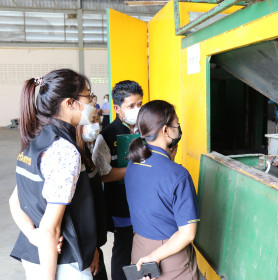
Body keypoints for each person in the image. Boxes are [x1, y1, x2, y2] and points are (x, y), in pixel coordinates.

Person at [9, 69, 97, 279]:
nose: (92, 103)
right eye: (88, 96)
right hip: (62, 264)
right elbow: (50, 230)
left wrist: (32, 235)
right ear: (70, 103)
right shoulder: (64, 151)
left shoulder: (35, 140)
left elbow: (15, 201)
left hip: (36, 257)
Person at [124, 100, 200, 279]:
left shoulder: (133, 163)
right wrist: (154, 257)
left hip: (139, 249)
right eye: (177, 123)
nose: (179, 127)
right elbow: (187, 234)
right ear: (165, 130)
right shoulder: (178, 174)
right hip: (169, 256)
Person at [92, 80, 143, 280]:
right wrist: (135, 169)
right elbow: (102, 174)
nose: (137, 110)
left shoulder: (145, 130)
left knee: (143, 244)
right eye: (131, 106)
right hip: (121, 204)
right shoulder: (107, 136)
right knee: (123, 246)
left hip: (144, 201)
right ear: (117, 109)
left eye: (140, 104)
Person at [76, 124, 108, 280]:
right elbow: (79, 209)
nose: (94, 125)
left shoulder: (85, 151)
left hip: (95, 242)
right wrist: (91, 248)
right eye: (89, 121)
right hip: (88, 247)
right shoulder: (73, 155)